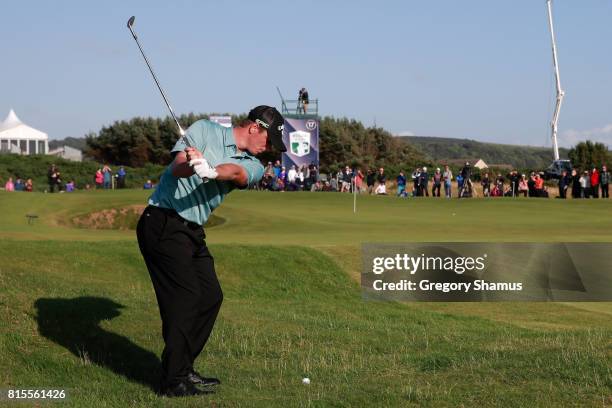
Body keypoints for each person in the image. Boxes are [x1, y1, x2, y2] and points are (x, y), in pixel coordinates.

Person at [137, 105, 287, 397]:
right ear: (255, 127)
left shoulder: (255, 164)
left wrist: (211, 171)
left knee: (210, 296)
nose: (269, 149)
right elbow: (177, 167)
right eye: (269, 141)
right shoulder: (204, 130)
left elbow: (237, 173)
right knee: (186, 296)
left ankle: (181, 368)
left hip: (191, 231)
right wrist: (192, 164)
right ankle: (174, 380)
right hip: (162, 222)